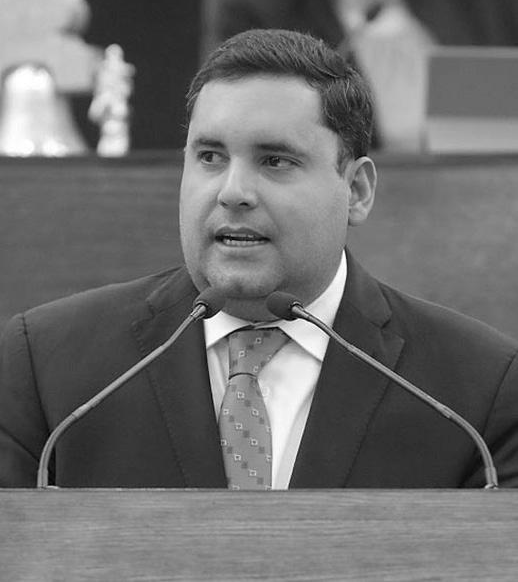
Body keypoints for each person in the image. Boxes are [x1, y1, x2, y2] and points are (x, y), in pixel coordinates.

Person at [1, 29, 518, 489]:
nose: (233, 192)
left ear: (357, 190)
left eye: (275, 161)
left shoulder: (477, 392)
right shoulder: (46, 368)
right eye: (210, 157)